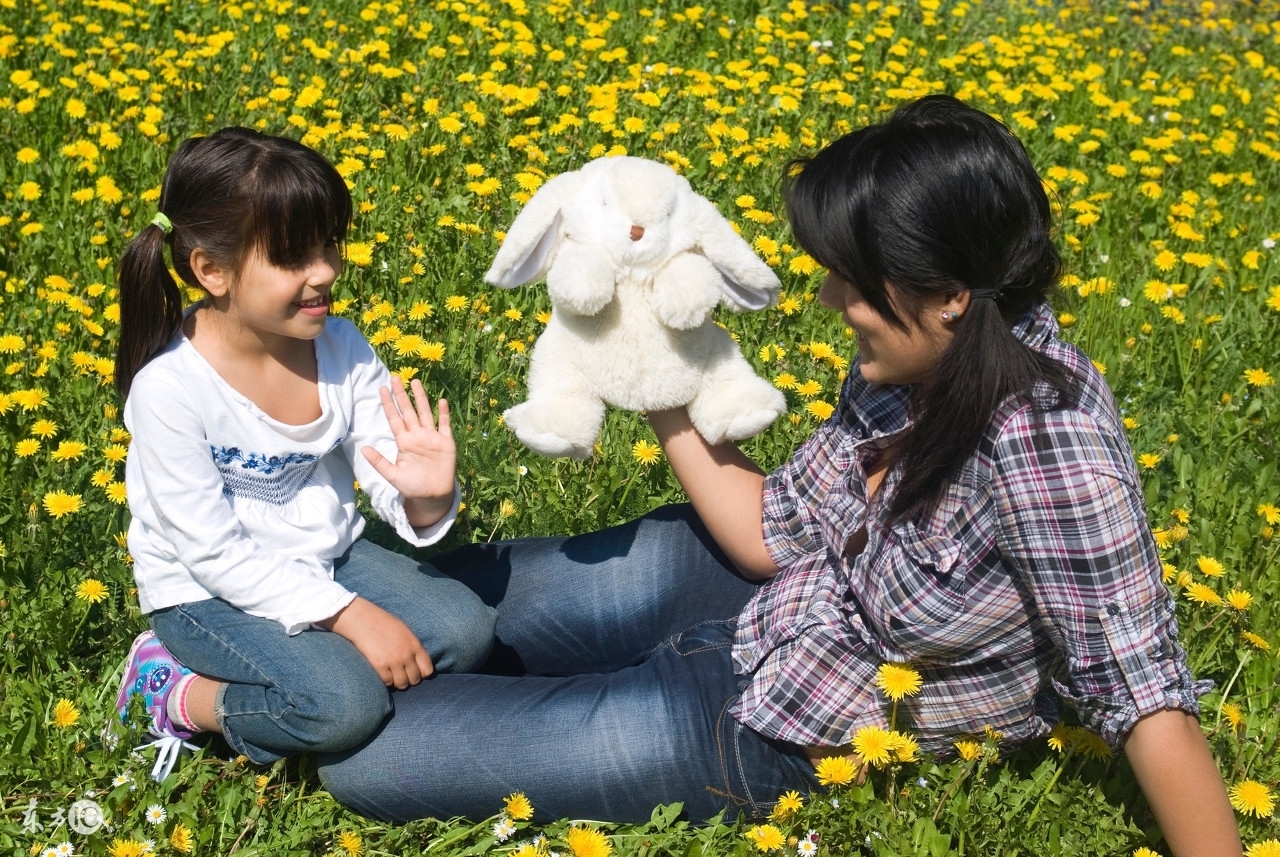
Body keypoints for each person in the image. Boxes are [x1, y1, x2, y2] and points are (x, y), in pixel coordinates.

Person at [317, 97, 1240, 855]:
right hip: (763, 586)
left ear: (950, 295)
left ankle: (233, 679)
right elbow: (772, 533)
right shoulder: (910, 364)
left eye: (851, 281)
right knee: (445, 598)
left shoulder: (1051, 441)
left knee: (373, 757)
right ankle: (262, 594)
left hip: (804, 721)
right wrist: (650, 363)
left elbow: (1142, 686)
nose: (831, 300)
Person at [112, 127, 497, 779]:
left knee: (465, 629)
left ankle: (313, 646)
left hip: (325, 558)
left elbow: (384, 468)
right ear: (211, 270)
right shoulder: (169, 391)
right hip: (203, 593)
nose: (324, 272)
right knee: (344, 702)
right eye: (294, 256)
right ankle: (173, 689)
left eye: (330, 244)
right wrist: (348, 614)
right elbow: (214, 553)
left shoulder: (341, 348)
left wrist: (424, 495)